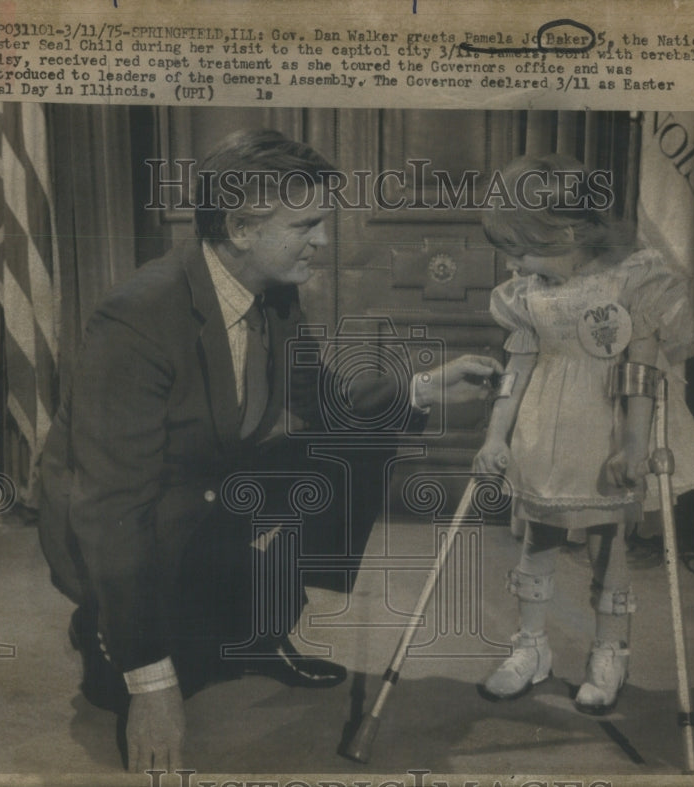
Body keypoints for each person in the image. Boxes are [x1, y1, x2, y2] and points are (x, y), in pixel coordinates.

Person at [37, 129, 502, 771]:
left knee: (354, 446)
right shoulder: (136, 318)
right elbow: (109, 508)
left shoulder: (274, 292)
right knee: (146, 681)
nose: (322, 241)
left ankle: (260, 627)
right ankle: (106, 628)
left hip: (209, 477)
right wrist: (151, 685)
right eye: (306, 224)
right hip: (120, 514)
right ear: (242, 227)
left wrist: (425, 385)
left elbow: (327, 405)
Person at [472, 153, 694, 713]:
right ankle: (531, 648)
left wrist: (633, 445)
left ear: (570, 232)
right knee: (537, 538)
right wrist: (494, 437)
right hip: (542, 430)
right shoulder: (527, 292)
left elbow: (642, 371)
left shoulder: (629, 281)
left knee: (609, 547)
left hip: (605, 431)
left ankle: (611, 651)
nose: (516, 263)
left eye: (525, 248)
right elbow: (518, 368)